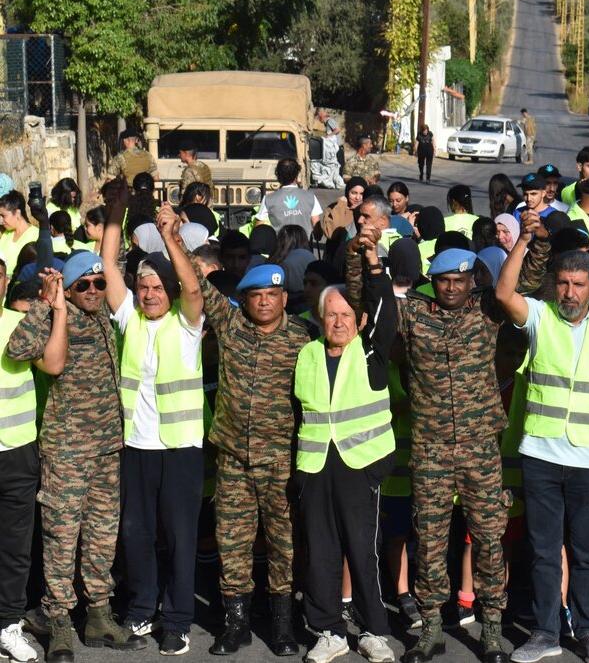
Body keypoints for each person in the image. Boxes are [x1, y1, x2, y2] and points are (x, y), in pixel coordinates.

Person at [372, 233, 551, 663]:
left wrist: (530, 239)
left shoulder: (488, 309)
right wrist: (368, 258)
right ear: (430, 280)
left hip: (479, 449)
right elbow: (373, 306)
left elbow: (525, 279)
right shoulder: (414, 310)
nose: (450, 287)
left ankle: (491, 631)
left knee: (489, 538)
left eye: (458, 279)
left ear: (472, 280)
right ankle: (430, 629)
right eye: (442, 280)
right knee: (430, 540)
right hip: (430, 447)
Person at [496, 214, 589, 663]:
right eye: (562, 283)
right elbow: (503, 294)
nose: (569, 292)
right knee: (544, 550)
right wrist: (524, 242)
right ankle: (546, 631)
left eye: (577, 284)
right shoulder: (539, 315)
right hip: (541, 453)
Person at [7, 250, 148, 662]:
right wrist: (45, 304)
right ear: (68, 288)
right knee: (61, 539)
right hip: (66, 449)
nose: (93, 291)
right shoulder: (55, 315)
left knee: (102, 534)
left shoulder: (104, 316)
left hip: (107, 446)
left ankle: (100, 614)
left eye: (99, 283)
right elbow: (18, 349)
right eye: (82, 285)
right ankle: (58, 619)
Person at [175, 252, 310, 656]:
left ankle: (283, 624)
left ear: (284, 298)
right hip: (233, 458)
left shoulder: (303, 338)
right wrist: (172, 238)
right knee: (231, 541)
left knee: (282, 544)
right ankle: (236, 624)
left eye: (272, 294)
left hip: (280, 460)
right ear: (244, 299)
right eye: (256, 295)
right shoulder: (231, 326)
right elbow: (195, 286)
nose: (265, 301)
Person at [95, 183, 207, 656]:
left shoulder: (187, 323)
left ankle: (178, 621)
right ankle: (142, 609)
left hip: (180, 449)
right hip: (137, 447)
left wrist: (172, 239)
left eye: (157, 287)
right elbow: (107, 266)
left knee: (181, 539)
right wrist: (118, 212)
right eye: (143, 287)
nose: (148, 294)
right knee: (136, 532)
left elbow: (195, 287)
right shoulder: (131, 320)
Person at [296, 230, 398, 663]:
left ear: (357, 321)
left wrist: (373, 261)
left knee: (362, 548)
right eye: (330, 315)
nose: (338, 322)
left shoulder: (371, 352)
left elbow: (384, 310)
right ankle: (328, 631)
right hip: (316, 466)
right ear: (320, 318)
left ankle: (374, 629)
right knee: (320, 551)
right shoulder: (307, 353)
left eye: (345, 315)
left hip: (361, 464)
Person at [0, 259, 56, 663]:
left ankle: (7, 623)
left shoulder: (16, 322)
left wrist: (51, 308)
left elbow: (51, 364)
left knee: (16, 546)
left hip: (18, 450)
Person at [256, 158, 321, 233]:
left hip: (280, 243)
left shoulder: (268, 199)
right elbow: (317, 226)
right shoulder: (311, 197)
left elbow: (259, 227)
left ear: (278, 176)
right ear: (296, 175)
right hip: (304, 243)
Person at [0, 192, 40, 273]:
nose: (0, 220)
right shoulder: (6, 234)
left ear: (17, 213)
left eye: (3, 216)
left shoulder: (36, 235)